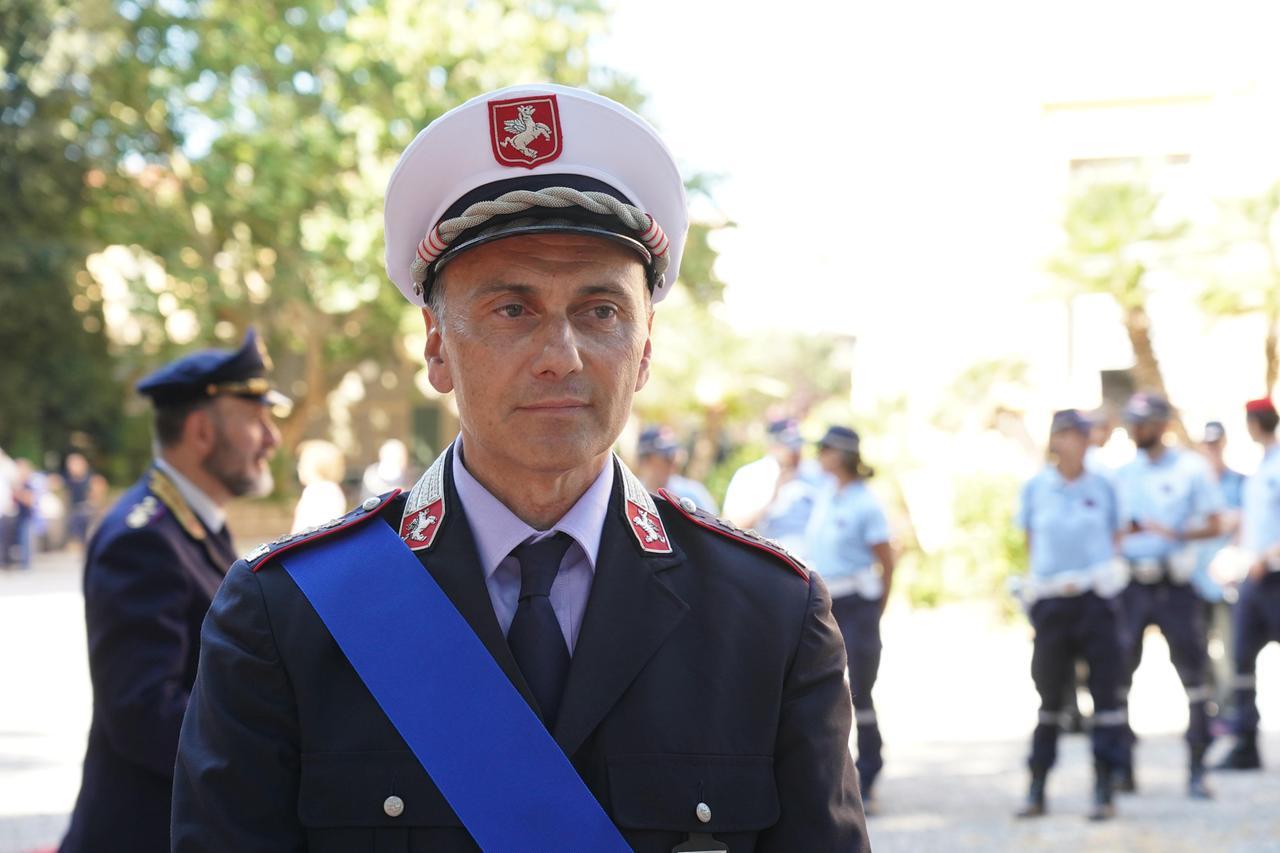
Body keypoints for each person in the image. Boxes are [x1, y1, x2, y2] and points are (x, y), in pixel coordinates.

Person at [173, 84, 869, 852]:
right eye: (514, 309)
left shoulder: (769, 613)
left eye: (600, 310)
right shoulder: (287, 615)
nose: (561, 357)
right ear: (437, 346)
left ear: (643, 351)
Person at [59, 328, 284, 853]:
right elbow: (144, 715)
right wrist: (272, 749)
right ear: (203, 431)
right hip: (144, 831)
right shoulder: (141, 539)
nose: (272, 438)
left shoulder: (192, 524)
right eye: (257, 419)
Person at [1013, 410, 1129, 821]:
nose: (1077, 443)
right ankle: (1038, 785)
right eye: (1069, 435)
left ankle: (1105, 785)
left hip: (1094, 600)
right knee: (1049, 696)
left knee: (1105, 694)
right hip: (1052, 603)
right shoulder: (1036, 487)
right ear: (1056, 440)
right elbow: (1029, 540)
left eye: (1082, 436)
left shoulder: (1104, 484)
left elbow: (1118, 534)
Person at [1112, 392, 1223, 799]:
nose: (1135, 430)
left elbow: (1216, 523)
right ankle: (1122, 765)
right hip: (1132, 584)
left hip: (1176, 584)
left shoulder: (1191, 469)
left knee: (1194, 675)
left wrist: (1173, 533)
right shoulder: (1122, 474)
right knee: (1119, 674)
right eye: (1132, 423)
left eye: (1142, 423)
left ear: (1161, 425)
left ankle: (1197, 765)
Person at [803, 425, 895, 812]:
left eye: (826, 449)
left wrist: (877, 608)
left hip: (857, 604)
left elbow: (887, 560)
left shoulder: (865, 503)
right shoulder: (826, 494)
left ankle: (869, 774)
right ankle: (829, 779)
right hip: (827, 604)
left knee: (860, 691)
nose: (821, 455)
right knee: (823, 691)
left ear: (843, 455)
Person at [1217, 398, 1280, 770]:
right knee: (1240, 658)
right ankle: (1245, 743)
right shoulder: (1259, 469)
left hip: (1273, 574)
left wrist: (1267, 556)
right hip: (1254, 578)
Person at [1194, 421, 1245, 720]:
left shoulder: (1237, 482)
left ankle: (1228, 710)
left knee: (1228, 649)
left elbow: (1242, 523)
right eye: (1207, 444)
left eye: (1216, 444)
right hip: (1195, 578)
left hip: (1226, 578)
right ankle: (1209, 707)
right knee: (1199, 650)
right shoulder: (1194, 482)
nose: (1211, 450)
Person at [723, 418, 821, 554]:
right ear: (772, 446)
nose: (796, 451)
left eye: (798, 445)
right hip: (768, 556)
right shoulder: (751, 474)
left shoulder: (815, 473)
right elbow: (731, 525)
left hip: (812, 561)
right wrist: (773, 497)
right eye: (789, 446)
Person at [633, 425, 718, 513]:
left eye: (673, 455)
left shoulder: (692, 494)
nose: (673, 462)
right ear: (647, 459)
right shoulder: (632, 493)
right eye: (666, 457)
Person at [291, 439, 348, 533]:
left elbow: (306, 527)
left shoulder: (317, 491)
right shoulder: (332, 489)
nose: (298, 467)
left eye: (302, 463)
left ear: (319, 466)